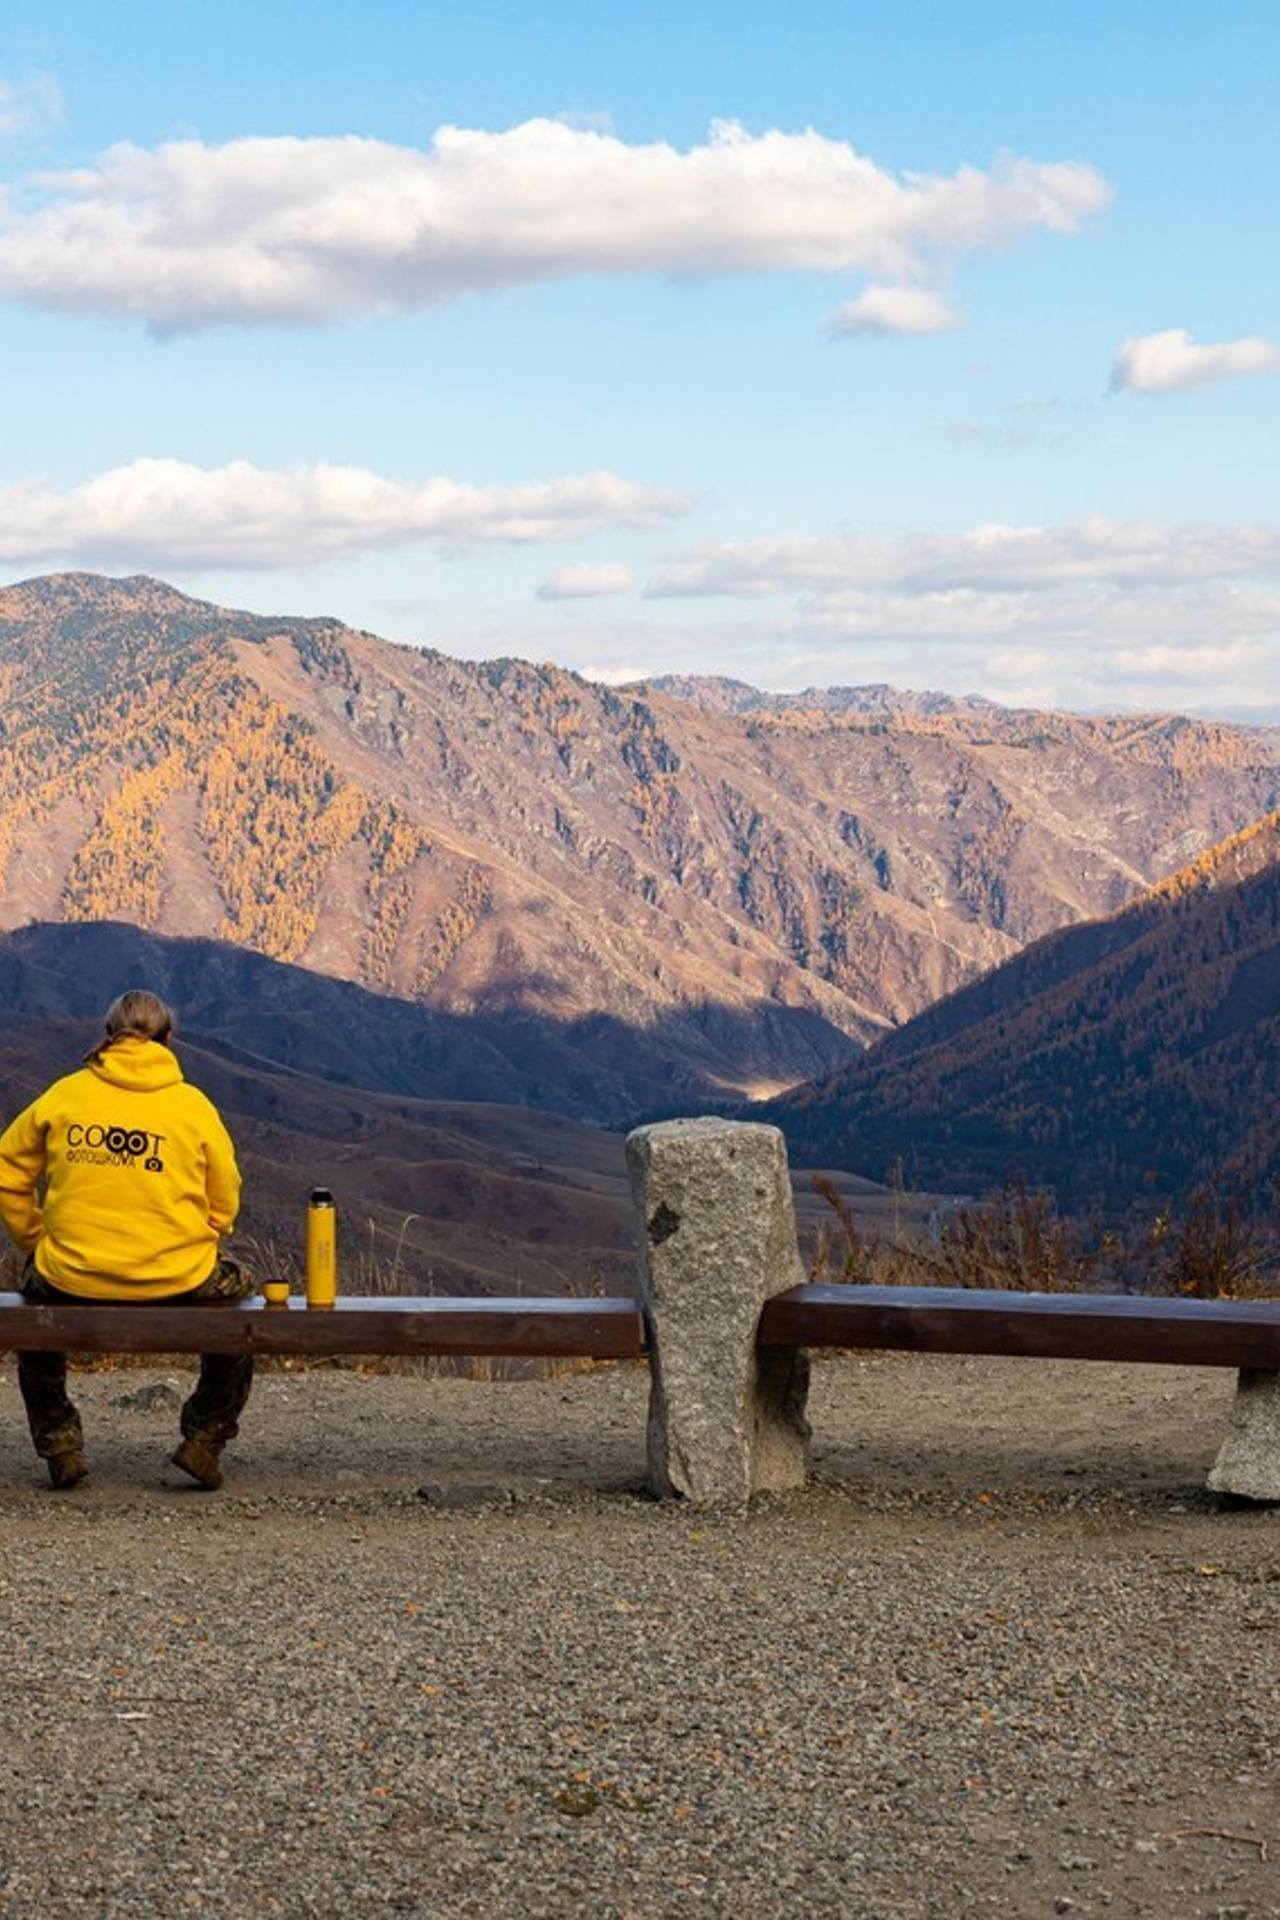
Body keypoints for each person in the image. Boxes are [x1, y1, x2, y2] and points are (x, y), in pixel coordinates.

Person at [0, 989, 252, 1491]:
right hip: (177, 1276)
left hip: (72, 1273)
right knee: (242, 1301)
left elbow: (7, 1171)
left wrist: (36, 1239)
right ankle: (204, 1440)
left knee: (35, 1300)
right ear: (168, 1039)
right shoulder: (192, 1106)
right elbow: (225, 1198)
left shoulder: (65, 1095)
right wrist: (205, 1236)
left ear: (109, 1037)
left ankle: (60, 1445)